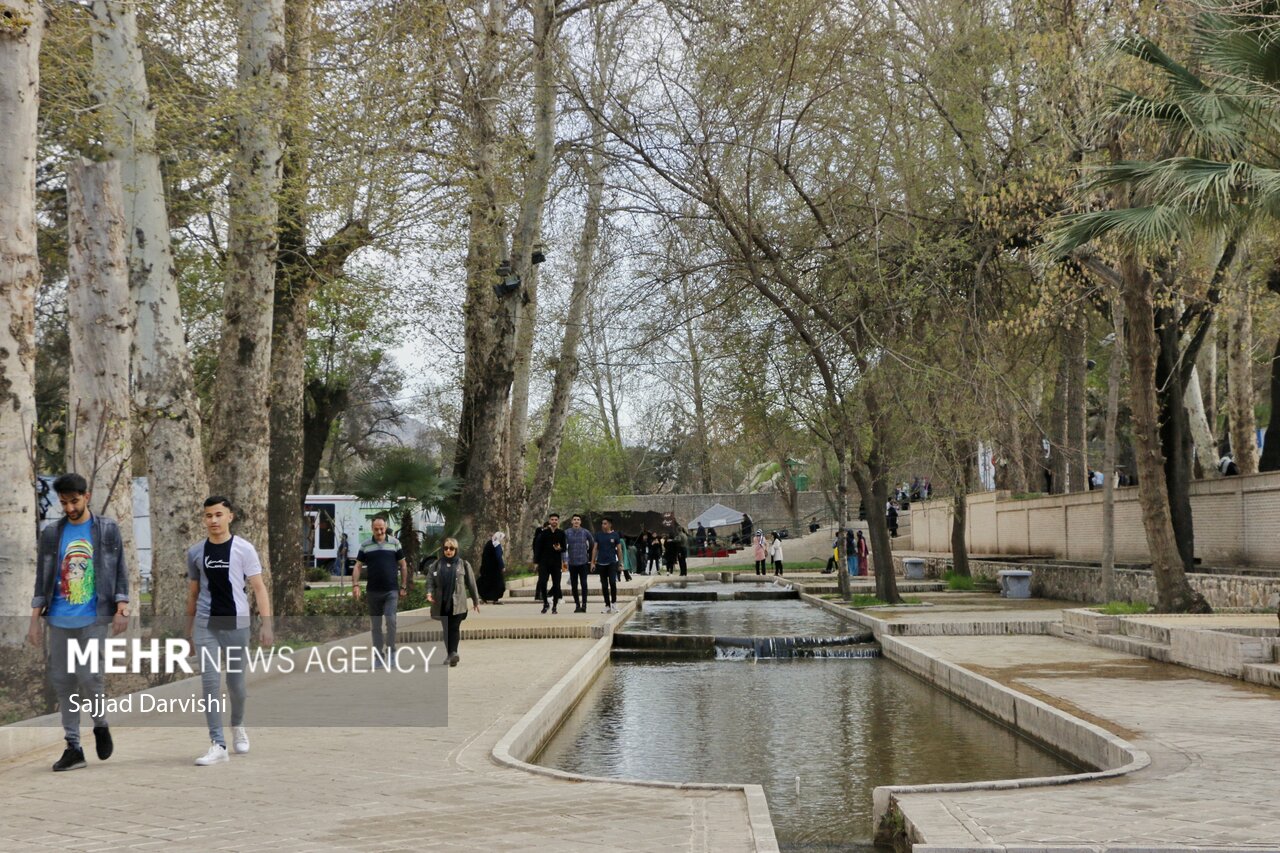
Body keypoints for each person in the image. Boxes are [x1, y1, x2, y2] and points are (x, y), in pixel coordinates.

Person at [28, 473, 129, 772]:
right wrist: (34, 621)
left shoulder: (107, 529)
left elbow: (120, 568)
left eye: (74, 501)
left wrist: (122, 604)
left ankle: (100, 724)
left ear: (87, 496)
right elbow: (41, 579)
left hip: (92, 617)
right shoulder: (51, 534)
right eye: (64, 503)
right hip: (59, 619)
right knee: (63, 682)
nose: (69, 508)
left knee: (90, 677)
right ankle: (73, 747)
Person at [186, 496, 273, 766]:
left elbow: (258, 588)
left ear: (230, 517)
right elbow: (193, 593)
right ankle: (217, 743)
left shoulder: (244, 549)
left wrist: (267, 624)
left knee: (236, 685)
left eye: (218, 515)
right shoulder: (196, 552)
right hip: (205, 625)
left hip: (236, 625)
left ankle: (238, 725)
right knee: (210, 683)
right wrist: (186, 632)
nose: (213, 520)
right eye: (208, 515)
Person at [352, 517, 408, 670]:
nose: (379, 531)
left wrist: (403, 586)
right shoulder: (365, 545)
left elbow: (403, 565)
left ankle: (392, 653)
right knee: (376, 626)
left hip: (391, 590)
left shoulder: (395, 543)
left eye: (381, 528)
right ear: (372, 529)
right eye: (376, 529)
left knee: (391, 620)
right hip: (373, 591)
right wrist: (355, 585)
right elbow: (357, 566)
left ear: (386, 527)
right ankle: (378, 657)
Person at [426, 537, 480, 667]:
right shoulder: (436, 565)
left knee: (454, 628)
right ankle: (450, 654)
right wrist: (429, 593)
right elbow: (430, 581)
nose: (448, 551)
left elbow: (471, 584)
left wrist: (475, 601)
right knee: (446, 629)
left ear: (456, 550)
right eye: (446, 548)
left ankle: (453, 652)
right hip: (442, 603)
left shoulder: (463, 564)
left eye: (451, 548)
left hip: (458, 603)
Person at [534, 513, 566, 613]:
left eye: (556, 520)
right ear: (549, 521)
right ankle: (545, 603)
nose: (554, 521)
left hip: (556, 563)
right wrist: (536, 562)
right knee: (543, 582)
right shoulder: (543, 533)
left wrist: (559, 548)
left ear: (558, 521)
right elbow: (537, 548)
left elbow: (564, 548)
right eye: (552, 519)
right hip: (544, 562)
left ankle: (555, 606)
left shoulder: (561, 533)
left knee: (556, 585)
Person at [564, 514, 594, 613]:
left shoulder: (586, 532)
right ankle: (577, 605)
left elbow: (593, 545)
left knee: (584, 584)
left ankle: (584, 605)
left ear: (580, 522)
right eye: (574, 520)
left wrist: (591, 559)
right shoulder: (567, 533)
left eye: (578, 520)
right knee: (574, 585)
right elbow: (563, 547)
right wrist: (564, 560)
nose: (576, 521)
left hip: (584, 562)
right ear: (572, 521)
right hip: (572, 562)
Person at [593, 517, 624, 614]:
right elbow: (595, 549)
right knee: (604, 585)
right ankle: (607, 605)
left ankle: (614, 603)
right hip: (601, 563)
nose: (603, 525)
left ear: (610, 525)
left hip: (612, 562)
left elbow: (619, 550)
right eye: (602, 523)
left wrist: (621, 562)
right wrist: (593, 562)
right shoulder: (598, 535)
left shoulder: (615, 535)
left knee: (612, 582)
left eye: (605, 523)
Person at [478, 531, 507, 604]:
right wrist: (502, 566)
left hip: (487, 569)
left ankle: (485, 598)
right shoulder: (496, 544)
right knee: (499, 584)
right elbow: (498, 556)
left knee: (487, 583)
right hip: (495, 569)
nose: (503, 540)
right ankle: (495, 599)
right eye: (503, 538)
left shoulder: (489, 543)